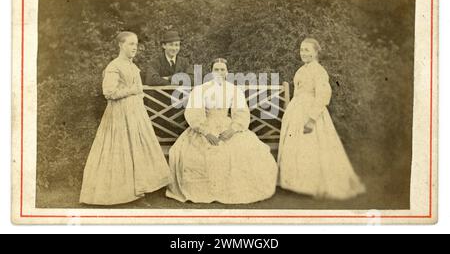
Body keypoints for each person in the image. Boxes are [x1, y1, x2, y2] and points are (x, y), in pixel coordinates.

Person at [166, 58, 278, 204]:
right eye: (216, 69)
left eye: (222, 69)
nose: (219, 72)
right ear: (211, 72)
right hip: (205, 126)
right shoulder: (201, 89)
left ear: (227, 72)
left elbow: (241, 113)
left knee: (246, 152)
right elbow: (194, 113)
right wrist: (205, 132)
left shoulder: (233, 89)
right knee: (199, 153)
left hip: (227, 124)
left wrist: (232, 129)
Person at [80, 31, 171, 205]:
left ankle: (141, 189)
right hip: (119, 114)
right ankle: (123, 192)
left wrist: (137, 95)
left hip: (135, 112)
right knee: (120, 150)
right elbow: (109, 92)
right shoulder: (114, 66)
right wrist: (132, 91)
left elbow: (138, 88)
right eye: (130, 44)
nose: (134, 48)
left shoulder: (131, 65)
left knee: (139, 148)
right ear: (121, 45)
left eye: (136, 45)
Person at [278, 38, 366, 200]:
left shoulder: (319, 71)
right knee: (297, 146)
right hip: (296, 110)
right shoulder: (302, 69)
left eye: (307, 50)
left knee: (310, 145)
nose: (304, 53)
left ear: (316, 52)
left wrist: (311, 119)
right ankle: (295, 184)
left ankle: (311, 185)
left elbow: (323, 95)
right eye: (302, 50)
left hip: (310, 111)